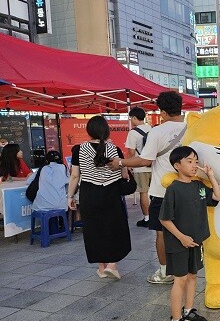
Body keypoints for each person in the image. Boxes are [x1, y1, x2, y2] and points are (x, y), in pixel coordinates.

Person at [109, 91, 186, 285]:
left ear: (162, 111)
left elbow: (145, 159)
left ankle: (165, 272)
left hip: (162, 191)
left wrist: (120, 163)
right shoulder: (192, 127)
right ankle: (187, 269)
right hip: (187, 190)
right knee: (187, 230)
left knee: (161, 233)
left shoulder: (157, 131)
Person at [160, 146, 220, 321]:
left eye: (196, 161)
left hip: (196, 242)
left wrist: (210, 175)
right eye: (189, 161)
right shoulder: (173, 189)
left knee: (193, 276)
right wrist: (181, 237)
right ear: (177, 165)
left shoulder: (199, 187)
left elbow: (218, 197)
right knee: (180, 280)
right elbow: (164, 219)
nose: (194, 165)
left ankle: (188, 311)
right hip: (179, 243)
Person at [67, 116, 131, 280]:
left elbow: (75, 176)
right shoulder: (115, 150)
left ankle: (102, 267)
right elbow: (123, 174)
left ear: (89, 131)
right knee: (114, 227)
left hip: (89, 193)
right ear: (107, 131)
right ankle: (112, 264)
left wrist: (70, 196)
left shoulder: (78, 149)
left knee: (94, 229)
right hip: (111, 193)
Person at [125, 107, 152, 227]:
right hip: (154, 165)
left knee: (143, 192)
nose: (131, 120)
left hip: (140, 166)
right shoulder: (152, 129)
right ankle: (157, 216)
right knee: (156, 193)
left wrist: (127, 164)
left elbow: (131, 152)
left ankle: (147, 218)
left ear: (135, 118)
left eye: (131, 118)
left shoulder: (133, 133)